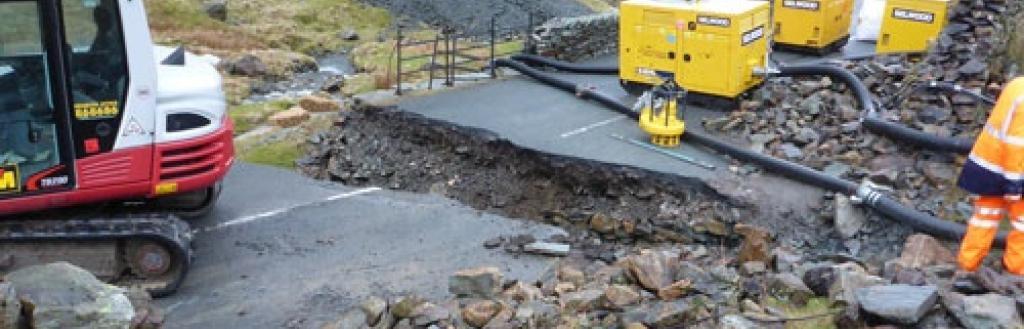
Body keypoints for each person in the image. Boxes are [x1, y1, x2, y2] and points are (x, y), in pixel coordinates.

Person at [956, 77, 1024, 276]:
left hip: (988, 165)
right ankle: (1017, 272)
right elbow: (1017, 144)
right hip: (1011, 169)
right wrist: (1014, 185)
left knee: (984, 218)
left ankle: (967, 265)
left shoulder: (1017, 85)